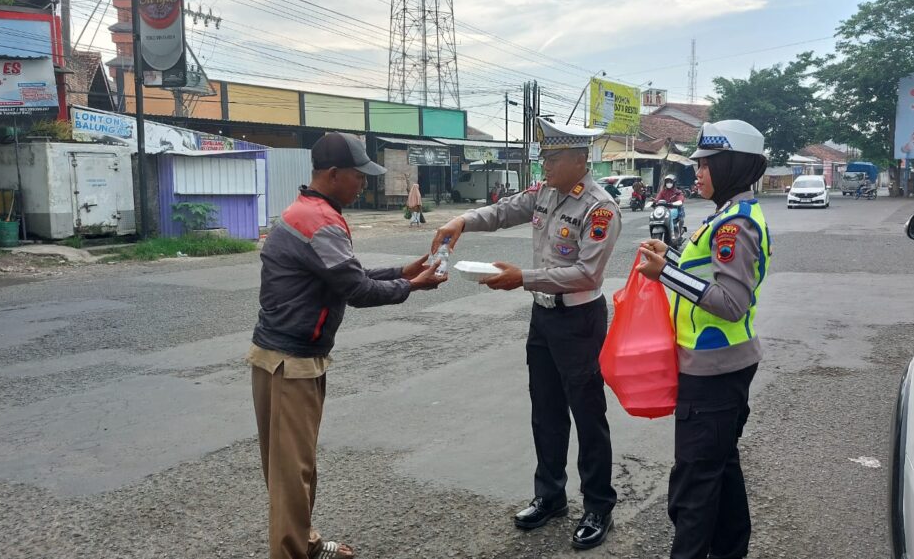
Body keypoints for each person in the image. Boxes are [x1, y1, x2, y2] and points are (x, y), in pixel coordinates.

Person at [248, 132, 448, 559]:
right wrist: (410, 284)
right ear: (334, 174)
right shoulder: (320, 221)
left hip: (286, 359)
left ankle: (307, 543)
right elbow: (355, 289)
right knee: (291, 475)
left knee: (295, 470)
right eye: (359, 176)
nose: (364, 184)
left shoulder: (310, 211)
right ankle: (294, 551)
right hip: (289, 364)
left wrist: (400, 269)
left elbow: (342, 274)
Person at [433, 117, 622, 550]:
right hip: (544, 318)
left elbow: (586, 273)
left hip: (579, 321)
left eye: (552, 157)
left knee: (587, 415)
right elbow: (502, 211)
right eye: (542, 157)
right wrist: (462, 220)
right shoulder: (545, 193)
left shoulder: (599, 207)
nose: (544, 165)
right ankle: (551, 496)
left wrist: (523, 277)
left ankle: (598, 506)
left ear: (580, 158)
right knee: (546, 409)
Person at [635, 120, 772, 559]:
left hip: (714, 372)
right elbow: (705, 276)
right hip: (718, 366)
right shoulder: (727, 216)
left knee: (693, 488)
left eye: (707, 165)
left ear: (732, 166)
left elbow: (731, 301)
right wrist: (671, 258)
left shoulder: (736, 226)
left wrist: (667, 274)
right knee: (720, 471)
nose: (699, 174)